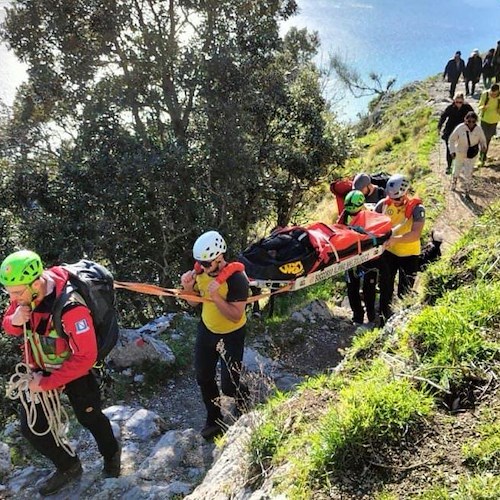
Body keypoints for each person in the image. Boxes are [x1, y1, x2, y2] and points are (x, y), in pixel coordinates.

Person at [0, 250, 121, 496]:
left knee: (89, 417)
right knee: (32, 427)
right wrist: (14, 320)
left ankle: (111, 455)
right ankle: (69, 466)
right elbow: (10, 327)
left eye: (16, 293)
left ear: (36, 283)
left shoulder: (71, 307)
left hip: (76, 370)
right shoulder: (25, 296)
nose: (12, 298)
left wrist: (46, 383)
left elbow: (85, 357)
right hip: (40, 366)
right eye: (8, 293)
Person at [180, 230, 250, 440]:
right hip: (207, 330)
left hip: (232, 334)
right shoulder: (200, 273)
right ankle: (214, 420)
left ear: (220, 259)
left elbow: (236, 316)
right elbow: (193, 303)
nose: (202, 267)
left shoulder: (237, 279)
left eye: (207, 263)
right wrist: (188, 288)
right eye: (200, 263)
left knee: (229, 385)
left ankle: (243, 401)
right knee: (204, 377)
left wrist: (216, 296)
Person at [375, 175, 425, 320]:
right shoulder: (384, 205)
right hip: (389, 253)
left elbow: (415, 234)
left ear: (405, 193)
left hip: (409, 255)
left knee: (405, 291)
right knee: (385, 287)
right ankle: (383, 318)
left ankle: (402, 321)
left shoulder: (417, 209)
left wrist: (395, 239)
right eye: (392, 198)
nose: (394, 202)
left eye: (397, 199)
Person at [448, 111, 487, 193]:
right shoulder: (460, 128)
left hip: (472, 153)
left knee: (468, 170)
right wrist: (452, 151)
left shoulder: (478, 129)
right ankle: (454, 182)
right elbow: (452, 140)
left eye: (473, 121)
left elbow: (483, 140)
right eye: (469, 121)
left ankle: (467, 187)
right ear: (465, 120)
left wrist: (483, 147)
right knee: (457, 168)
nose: (471, 123)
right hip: (460, 152)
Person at [438, 93, 474, 174]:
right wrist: (439, 127)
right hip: (450, 130)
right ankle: (449, 166)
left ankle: (462, 165)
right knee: (449, 149)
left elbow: (473, 116)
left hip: (462, 131)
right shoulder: (450, 107)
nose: (458, 104)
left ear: (463, 101)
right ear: (454, 101)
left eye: (460, 102)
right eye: (457, 102)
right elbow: (443, 116)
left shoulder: (467, 107)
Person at [477, 83, 500, 167]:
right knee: (485, 138)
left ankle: (483, 156)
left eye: (495, 94)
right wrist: (483, 107)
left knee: (488, 138)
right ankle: (482, 158)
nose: (493, 95)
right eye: (492, 93)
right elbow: (479, 106)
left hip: (494, 121)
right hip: (485, 120)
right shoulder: (485, 94)